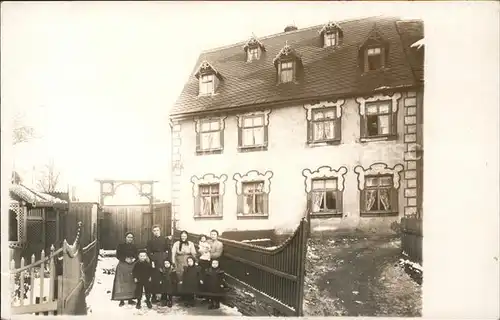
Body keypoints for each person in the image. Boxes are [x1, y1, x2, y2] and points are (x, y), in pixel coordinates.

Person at [111, 232, 138, 306]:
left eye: (131, 237)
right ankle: (122, 300)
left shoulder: (134, 246)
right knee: (122, 282)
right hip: (123, 265)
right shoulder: (121, 246)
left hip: (131, 266)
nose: (130, 239)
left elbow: (136, 254)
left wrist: (134, 259)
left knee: (130, 282)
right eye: (128, 237)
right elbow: (118, 255)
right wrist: (125, 259)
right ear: (125, 238)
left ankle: (130, 299)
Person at [146, 225, 172, 303]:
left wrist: (168, 261)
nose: (156, 232)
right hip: (155, 260)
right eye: (154, 230)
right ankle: (154, 296)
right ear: (152, 232)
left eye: (157, 230)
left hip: (163, 259)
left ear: (160, 230)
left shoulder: (165, 239)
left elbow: (169, 250)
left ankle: (164, 297)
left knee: (164, 278)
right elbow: (148, 252)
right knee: (155, 278)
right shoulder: (150, 241)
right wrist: (152, 260)